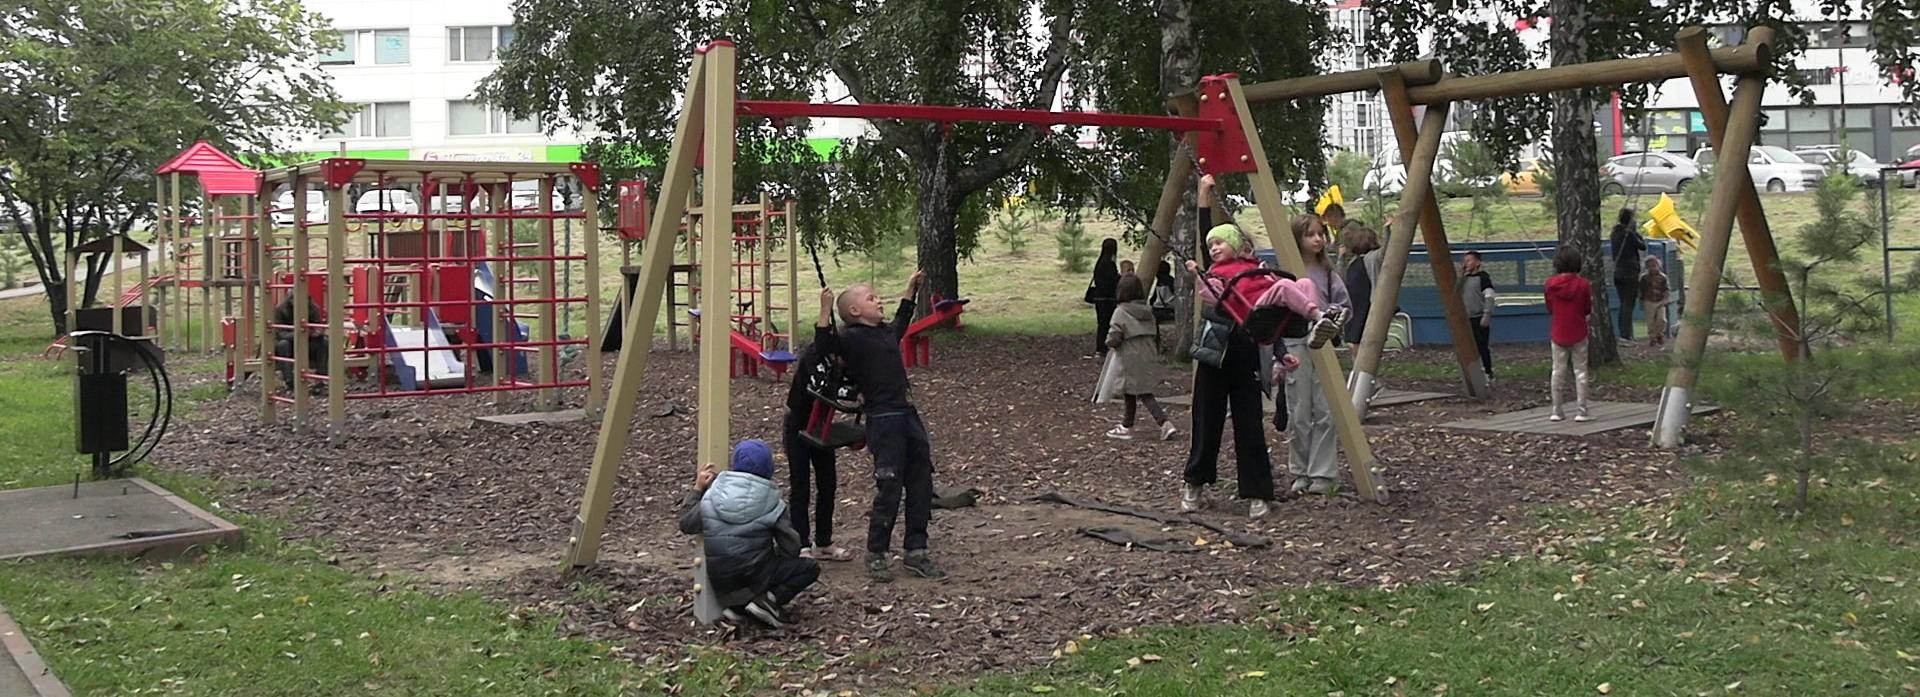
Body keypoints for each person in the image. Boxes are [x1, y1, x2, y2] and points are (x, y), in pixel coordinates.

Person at [817, 273, 948, 582]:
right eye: (871, 298)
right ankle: (877, 552)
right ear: (854, 312)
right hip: (883, 419)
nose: (879, 301)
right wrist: (824, 309)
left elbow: (902, 320)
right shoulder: (849, 338)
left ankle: (917, 550)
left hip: (907, 414)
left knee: (920, 482)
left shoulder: (886, 334)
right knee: (890, 486)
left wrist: (910, 291)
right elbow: (823, 346)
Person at [1181, 173, 1278, 518]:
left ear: (1238, 247)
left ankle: (1257, 492)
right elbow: (1204, 228)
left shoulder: (1255, 272)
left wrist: (1279, 351)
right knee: (1206, 419)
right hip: (1213, 351)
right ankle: (1194, 483)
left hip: (1245, 349)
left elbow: (1272, 307)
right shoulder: (1214, 273)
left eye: (1220, 244)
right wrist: (1204, 195)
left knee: (1249, 422)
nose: (1214, 249)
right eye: (1210, 248)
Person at [676, 439, 820, 629]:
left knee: (742, 564)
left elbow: (687, 523)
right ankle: (767, 601)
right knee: (809, 567)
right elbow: (791, 546)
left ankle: (737, 608)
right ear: (769, 468)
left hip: (721, 583)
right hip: (756, 579)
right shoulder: (773, 502)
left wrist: (697, 489)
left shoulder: (712, 496)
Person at [1282, 213, 1353, 496]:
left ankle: (1322, 472)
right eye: (1310, 234)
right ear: (1297, 238)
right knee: (1298, 411)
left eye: (1320, 233)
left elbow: (1343, 305)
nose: (1318, 239)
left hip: (1322, 345)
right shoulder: (1287, 271)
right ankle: (1299, 470)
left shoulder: (1328, 274)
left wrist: (1333, 319)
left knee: (1325, 410)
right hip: (1294, 345)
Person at [781, 302, 852, 563]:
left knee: (828, 483)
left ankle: (824, 541)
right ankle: (801, 543)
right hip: (798, 423)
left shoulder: (844, 366)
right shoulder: (814, 358)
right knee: (800, 484)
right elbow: (821, 348)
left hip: (821, 424)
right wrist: (824, 309)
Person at [1105, 275, 1176, 441]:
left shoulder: (1120, 311)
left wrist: (1110, 343)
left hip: (1130, 354)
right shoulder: (1148, 311)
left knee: (1141, 392)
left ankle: (1164, 423)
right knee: (1133, 390)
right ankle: (1126, 424)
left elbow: (1114, 336)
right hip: (1148, 351)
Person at [1544, 247, 1594, 422]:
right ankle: (1582, 411)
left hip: (1558, 330)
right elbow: (1587, 307)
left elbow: (1549, 307)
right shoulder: (1583, 284)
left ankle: (1557, 410)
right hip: (1579, 330)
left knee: (1558, 371)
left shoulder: (1550, 284)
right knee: (1580, 370)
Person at [272, 291, 328, 390]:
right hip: (290, 343)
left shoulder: (313, 308)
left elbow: (318, 327)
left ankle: (321, 378)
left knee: (324, 343)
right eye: (293, 300)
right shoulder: (281, 310)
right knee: (283, 345)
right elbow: (279, 333)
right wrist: (299, 334)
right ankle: (289, 379)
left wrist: (316, 332)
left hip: (308, 343)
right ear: (290, 300)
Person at [1340, 225, 1383, 346]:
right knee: (1353, 341)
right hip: (1353, 305)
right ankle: (1357, 364)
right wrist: (1341, 258)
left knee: (1362, 339)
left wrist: (1388, 229)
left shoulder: (1373, 257)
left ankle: (1363, 363)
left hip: (1365, 304)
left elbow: (1388, 250)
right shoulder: (1353, 261)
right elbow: (1342, 277)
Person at [1458, 251, 1498, 380]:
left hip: (1478, 317)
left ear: (1477, 262)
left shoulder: (1483, 278)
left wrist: (1487, 313)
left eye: (1469, 260)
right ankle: (1471, 371)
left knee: (1482, 346)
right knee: (1467, 346)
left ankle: (1488, 371)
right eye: (1465, 261)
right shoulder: (1463, 279)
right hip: (1465, 318)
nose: (1466, 263)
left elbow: (1489, 296)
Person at [1609, 207, 1647, 342]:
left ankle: (1624, 333)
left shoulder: (1614, 233)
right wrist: (1635, 232)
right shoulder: (1629, 234)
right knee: (1628, 304)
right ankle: (1626, 334)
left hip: (1618, 271)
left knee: (1623, 303)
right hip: (1630, 271)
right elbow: (1642, 246)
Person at [1086, 239, 1121, 358]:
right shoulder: (1109, 264)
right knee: (1107, 324)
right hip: (1108, 299)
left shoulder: (1100, 262)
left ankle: (1101, 347)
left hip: (1099, 298)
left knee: (1102, 324)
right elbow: (1112, 281)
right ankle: (1103, 347)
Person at [1641, 256, 1671, 348]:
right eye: (1650, 266)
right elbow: (1641, 290)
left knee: (1662, 319)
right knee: (1650, 321)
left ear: (1659, 266)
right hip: (1648, 301)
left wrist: (1666, 299)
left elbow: (1666, 289)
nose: (1653, 268)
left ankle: (1659, 334)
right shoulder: (1644, 278)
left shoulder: (1663, 277)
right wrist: (1642, 300)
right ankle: (1652, 337)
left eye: (1654, 266)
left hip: (1660, 301)